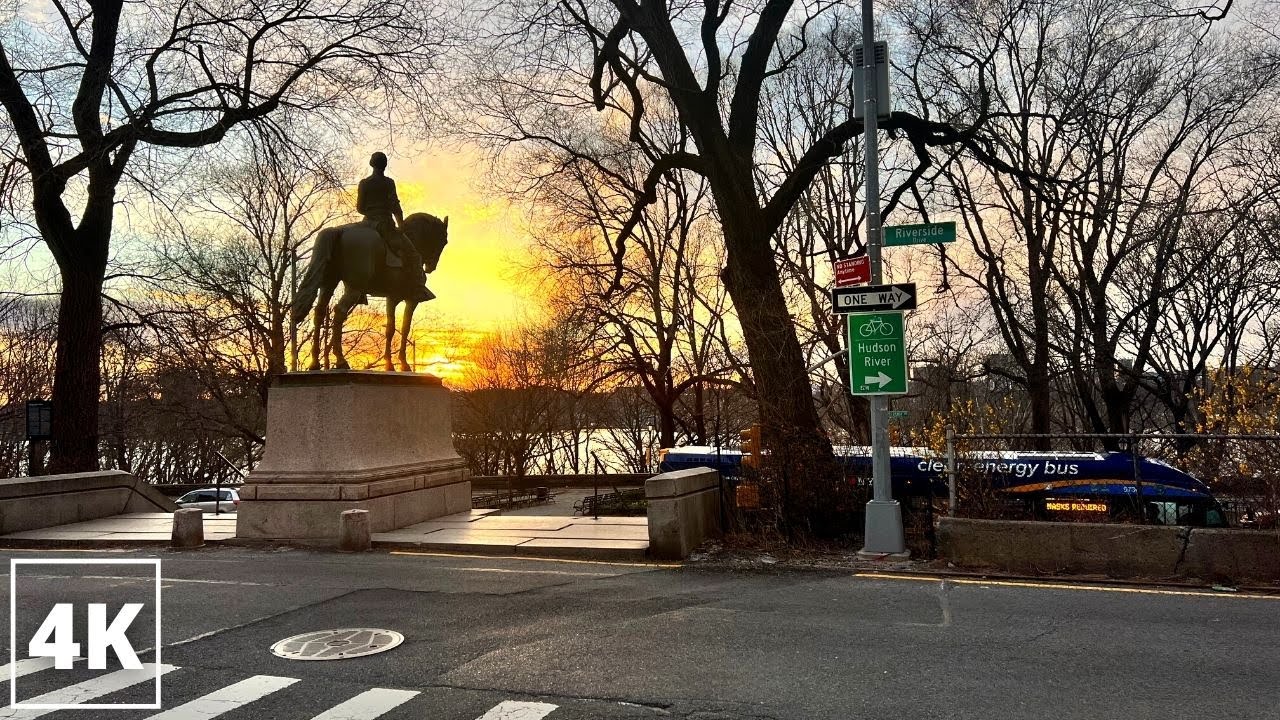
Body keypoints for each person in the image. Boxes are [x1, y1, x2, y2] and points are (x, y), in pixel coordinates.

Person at [357, 152, 427, 297]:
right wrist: (401, 225)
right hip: (384, 225)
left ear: (371, 164)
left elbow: (360, 208)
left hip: (366, 224)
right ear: (385, 165)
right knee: (414, 255)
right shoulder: (388, 183)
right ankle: (418, 288)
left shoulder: (364, 183)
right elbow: (394, 204)